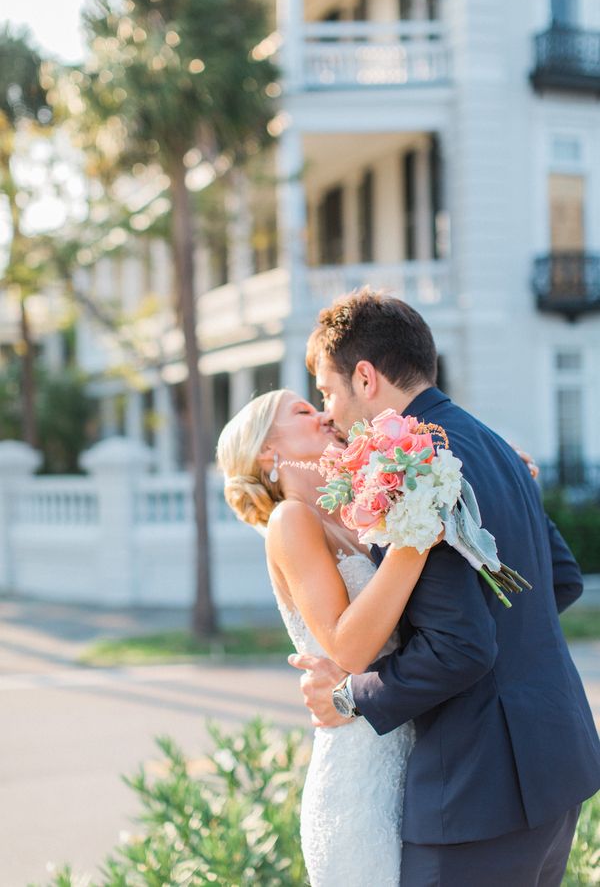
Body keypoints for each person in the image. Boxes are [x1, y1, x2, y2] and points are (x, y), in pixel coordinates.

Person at [288, 288, 600, 887]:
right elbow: (558, 580)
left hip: (478, 790)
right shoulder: (493, 444)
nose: (327, 413)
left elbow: (461, 648)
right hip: (556, 762)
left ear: (365, 376)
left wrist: (351, 696)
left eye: (327, 392)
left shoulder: (410, 468)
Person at [216, 379, 550, 885]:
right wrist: (418, 528)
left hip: (414, 747)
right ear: (267, 450)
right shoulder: (291, 520)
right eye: (305, 411)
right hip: (359, 768)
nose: (325, 417)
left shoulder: (359, 512)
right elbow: (349, 646)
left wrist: (502, 489)